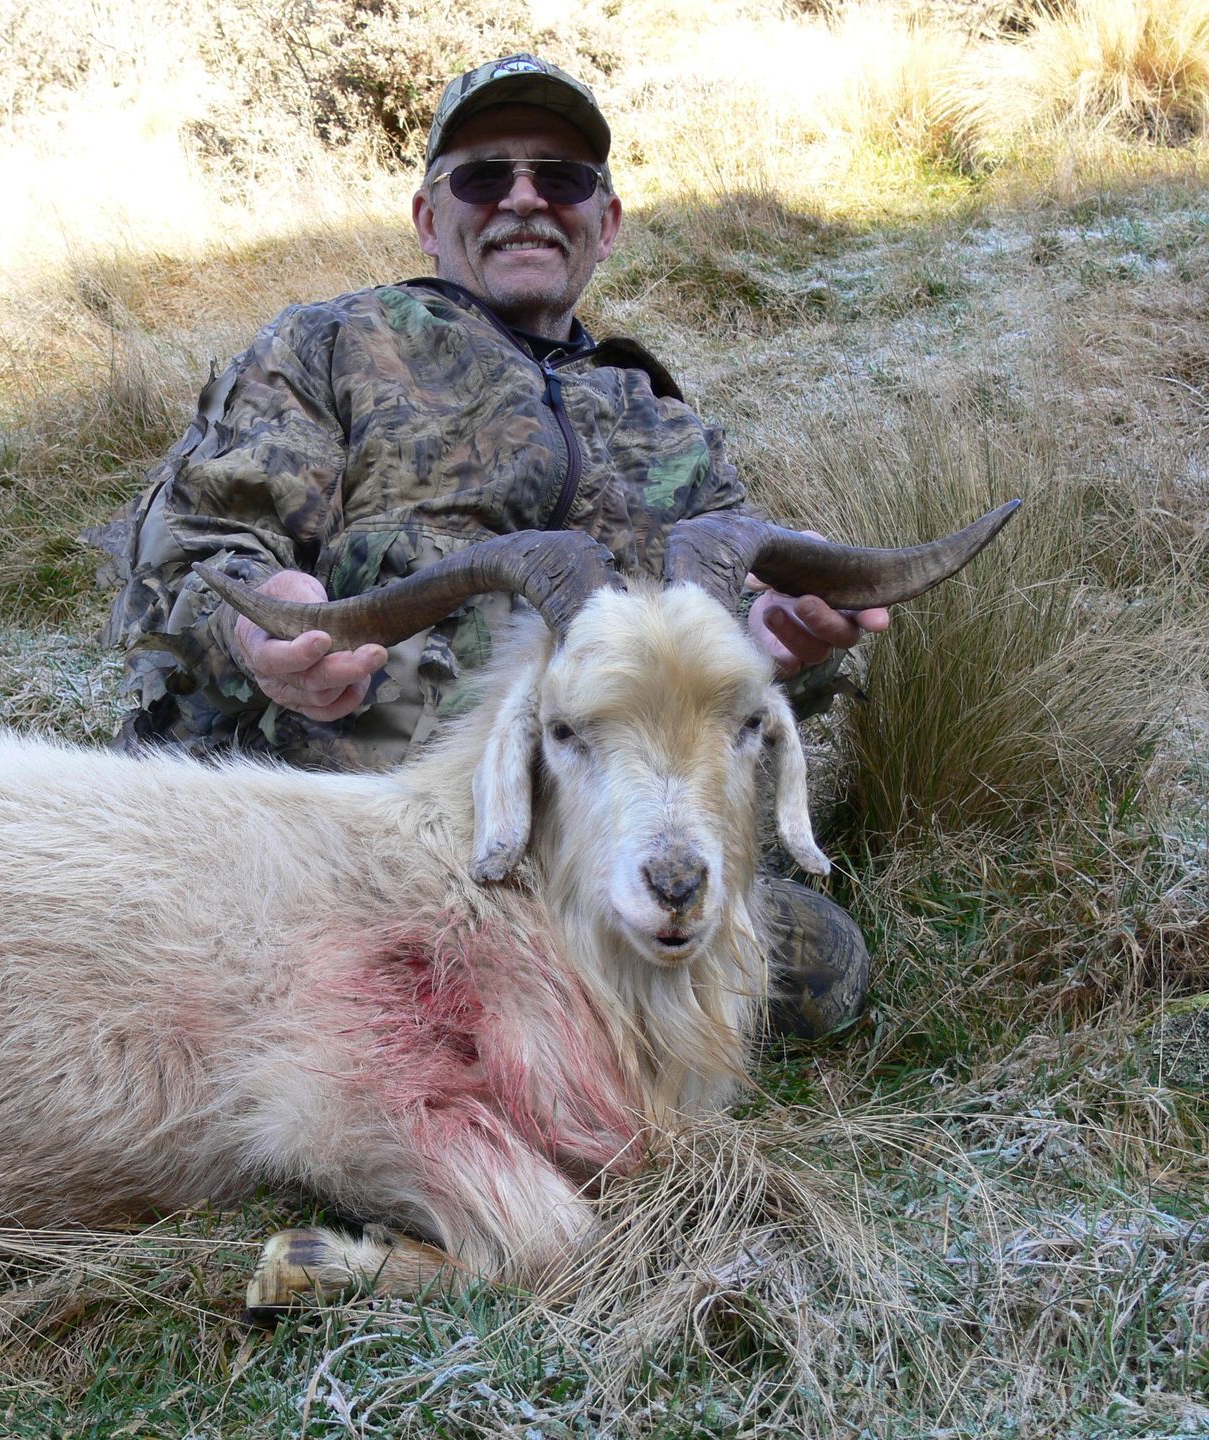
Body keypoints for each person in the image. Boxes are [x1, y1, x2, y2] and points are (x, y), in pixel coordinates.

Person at [97, 54, 875, 1039]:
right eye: (482, 175)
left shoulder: (662, 423)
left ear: (606, 219)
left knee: (820, 970)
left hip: (580, 834)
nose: (522, 200)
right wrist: (258, 625)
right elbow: (192, 535)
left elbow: (718, 684)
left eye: (560, 177)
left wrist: (780, 641)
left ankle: (480, 989)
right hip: (335, 819)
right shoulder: (331, 344)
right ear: (430, 217)